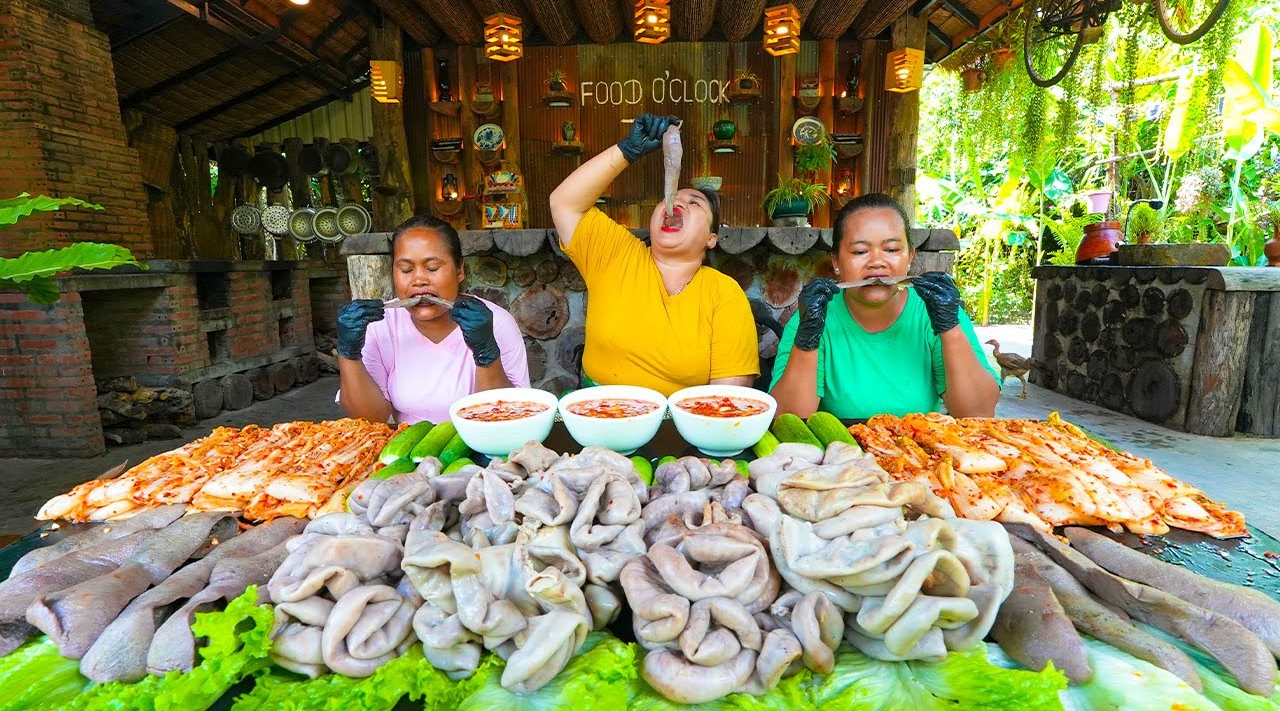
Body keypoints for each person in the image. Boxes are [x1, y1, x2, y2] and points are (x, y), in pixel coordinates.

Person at [548, 113, 758, 396]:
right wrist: (626, 151)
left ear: (711, 239)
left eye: (695, 203)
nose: (676, 203)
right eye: (670, 198)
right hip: (599, 414)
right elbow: (563, 203)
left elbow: (728, 395)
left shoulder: (724, 294)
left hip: (683, 420)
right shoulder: (617, 254)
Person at [770, 193, 999, 419]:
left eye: (891, 250)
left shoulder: (938, 313)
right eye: (860, 251)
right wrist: (808, 337)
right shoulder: (811, 318)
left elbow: (978, 414)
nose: (877, 262)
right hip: (839, 443)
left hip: (919, 441)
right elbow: (788, 419)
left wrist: (949, 329)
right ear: (836, 262)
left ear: (910, 257)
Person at [335, 215, 529, 424]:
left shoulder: (496, 322)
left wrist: (486, 353)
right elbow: (370, 418)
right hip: (408, 442)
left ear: (460, 270)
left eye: (433, 268)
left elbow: (510, 416)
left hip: (481, 441)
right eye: (406, 270)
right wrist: (348, 354)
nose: (419, 280)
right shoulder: (379, 324)